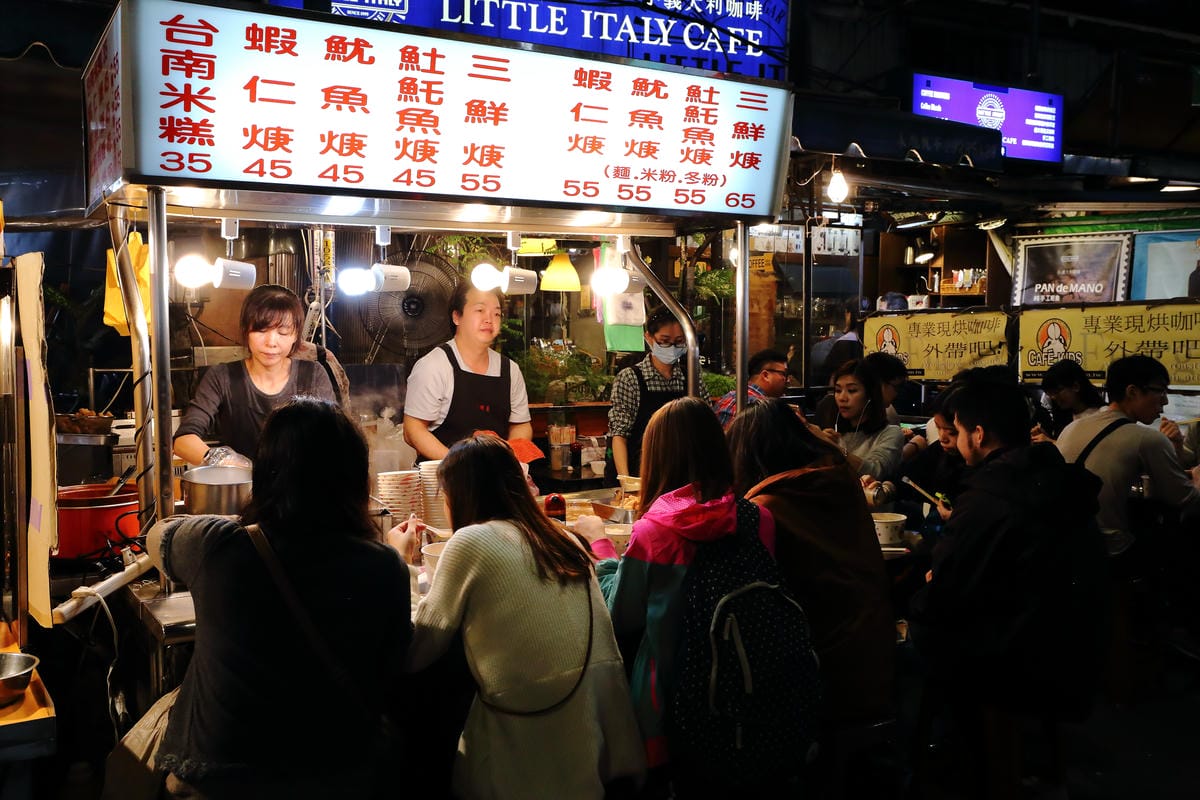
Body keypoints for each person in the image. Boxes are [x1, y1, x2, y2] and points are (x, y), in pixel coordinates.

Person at [147, 398, 412, 798]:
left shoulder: (219, 546)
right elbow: (394, 666)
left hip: (221, 783)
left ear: (265, 474)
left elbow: (158, 536)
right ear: (358, 479)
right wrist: (393, 553)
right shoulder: (385, 566)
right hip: (339, 778)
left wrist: (244, 517)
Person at [394, 434, 644, 799]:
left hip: (521, 758)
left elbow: (416, 652)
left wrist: (400, 563)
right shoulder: (564, 539)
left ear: (459, 497)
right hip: (592, 744)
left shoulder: (469, 543)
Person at [908, 379, 1108, 796]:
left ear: (977, 435)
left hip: (1010, 656)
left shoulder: (990, 495)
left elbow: (949, 592)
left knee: (913, 634)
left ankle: (949, 760)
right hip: (1071, 642)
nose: (955, 440)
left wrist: (930, 586)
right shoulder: (1054, 476)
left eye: (957, 431)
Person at [578, 397, 777, 797]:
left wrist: (600, 546)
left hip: (669, 700)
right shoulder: (759, 517)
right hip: (752, 687)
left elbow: (621, 616)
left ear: (657, 458)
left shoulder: (655, 532)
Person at [727, 399, 894, 725]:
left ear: (747, 456)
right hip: (874, 652)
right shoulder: (840, 482)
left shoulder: (766, 507)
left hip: (820, 670)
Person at [173, 284, 336, 467]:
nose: (271, 342)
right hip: (241, 490)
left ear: (295, 335)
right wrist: (224, 461)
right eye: (261, 331)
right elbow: (183, 440)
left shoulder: (313, 375)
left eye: (282, 332)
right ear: (246, 331)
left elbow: (335, 438)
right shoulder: (221, 377)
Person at [1054, 355, 1200, 560]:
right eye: (1160, 391)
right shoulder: (1146, 438)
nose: (1165, 401)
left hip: (1063, 544)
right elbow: (1184, 499)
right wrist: (1197, 479)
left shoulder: (1071, 427)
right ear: (1132, 392)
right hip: (1109, 550)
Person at [402, 281, 532, 462]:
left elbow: (521, 425)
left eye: (496, 313)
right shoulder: (433, 366)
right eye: (480, 310)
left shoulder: (510, 370)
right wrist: (458, 467)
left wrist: (508, 461)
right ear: (457, 317)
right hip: (443, 481)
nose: (489, 319)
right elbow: (412, 430)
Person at [606, 306, 687, 478]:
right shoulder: (630, 378)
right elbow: (619, 434)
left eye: (679, 341)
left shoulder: (690, 378)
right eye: (664, 341)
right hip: (638, 472)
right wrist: (626, 481)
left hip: (678, 474)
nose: (672, 347)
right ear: (649, 338)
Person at [814, 359, 905, 481]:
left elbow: (874, 471)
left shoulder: (890, 433)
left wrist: (837, 450)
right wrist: (818, 446)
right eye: (838, 390)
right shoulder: (833, 433)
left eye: (852, 390)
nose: (842, 398)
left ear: (870, 395)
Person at [710, 347, 788, 429]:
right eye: (784, 374)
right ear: (766, 375)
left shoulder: (730, 396)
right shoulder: (758, 407)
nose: (788, 379)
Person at [1032, 358, 1105, 443]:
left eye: (1057, 391)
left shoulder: (1102, 415)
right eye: (1050, 393)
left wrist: (1051, 442)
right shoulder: (1064, 415)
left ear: (1075, 386)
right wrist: (1047, 437)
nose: (1053, 397)